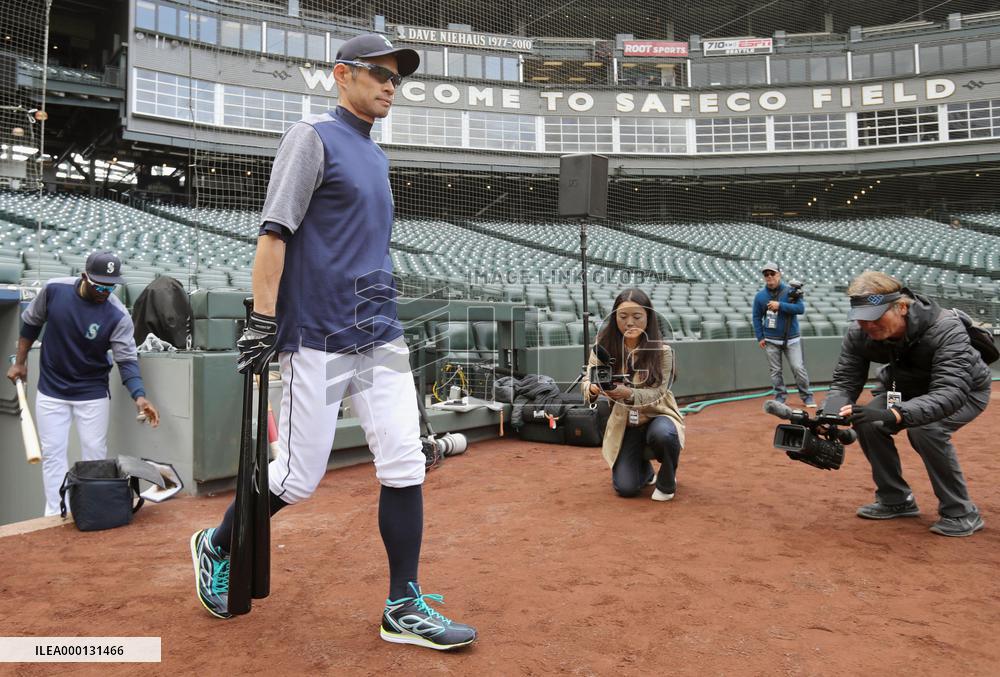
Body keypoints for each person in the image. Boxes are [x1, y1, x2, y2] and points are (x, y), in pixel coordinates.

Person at [189, 33, 477, 650]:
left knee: (404, 462)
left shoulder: (377, 155)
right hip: (317, 337)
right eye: (380, 74)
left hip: (377, 334)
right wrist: (265, 321)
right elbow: (274, 234)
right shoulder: (311, 137)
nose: (391, 85)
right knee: (296, 479)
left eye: (397, 78)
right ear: (342, 75)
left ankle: (403, 603)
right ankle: (217, 540)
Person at [829, 271, 990, 537]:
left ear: (902, 307)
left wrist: (896, 414)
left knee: (926, 429)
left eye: (874, 317)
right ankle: (896, 500)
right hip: (905, 388)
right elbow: (846, 379)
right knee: (868, 422)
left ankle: (961, 511)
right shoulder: (860, 332)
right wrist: (832, 413)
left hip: (964, 390)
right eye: (861, 318)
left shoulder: (945, 327)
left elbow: (950, 391)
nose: (867, 325)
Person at [6, 251, 161, 517]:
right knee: (53, 456)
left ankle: (89, 510)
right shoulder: (55, 290)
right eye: (99, 284)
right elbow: (30, 324)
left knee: (94, 458)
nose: (104, 291)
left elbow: (126, 360)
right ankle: (55, 514)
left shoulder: (117, 313)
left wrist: (139, 395)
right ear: (84, 277)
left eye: (110, 285)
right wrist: (20, 362)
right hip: (51, 390)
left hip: (92, 392)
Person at [582, 289, 685, 501]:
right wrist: (592, 389)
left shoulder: (663, 352)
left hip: (658, 415)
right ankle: (645, 470)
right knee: (626, 489)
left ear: (648, 317)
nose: (630, 323)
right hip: (625, 423)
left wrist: (627, 393)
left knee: (664, 435)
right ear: (614, 317)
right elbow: (587, 378)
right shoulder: (603, 347)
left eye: (637, 317)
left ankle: (667, 482)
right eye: (623, 316)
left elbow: (658, 392)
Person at [752, 262, 815, 407]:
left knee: (798, 368)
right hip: (771, 340)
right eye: (766, 274)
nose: (769, 277)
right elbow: (756, 317)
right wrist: (760, 337)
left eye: (772, 273)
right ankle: (780, 397)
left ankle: (807, 396)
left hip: (791, 338)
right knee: (775, 371)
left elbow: (800, 309)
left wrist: (780, 306)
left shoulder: (791, 291)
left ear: (779, 274)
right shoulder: (760, 296)